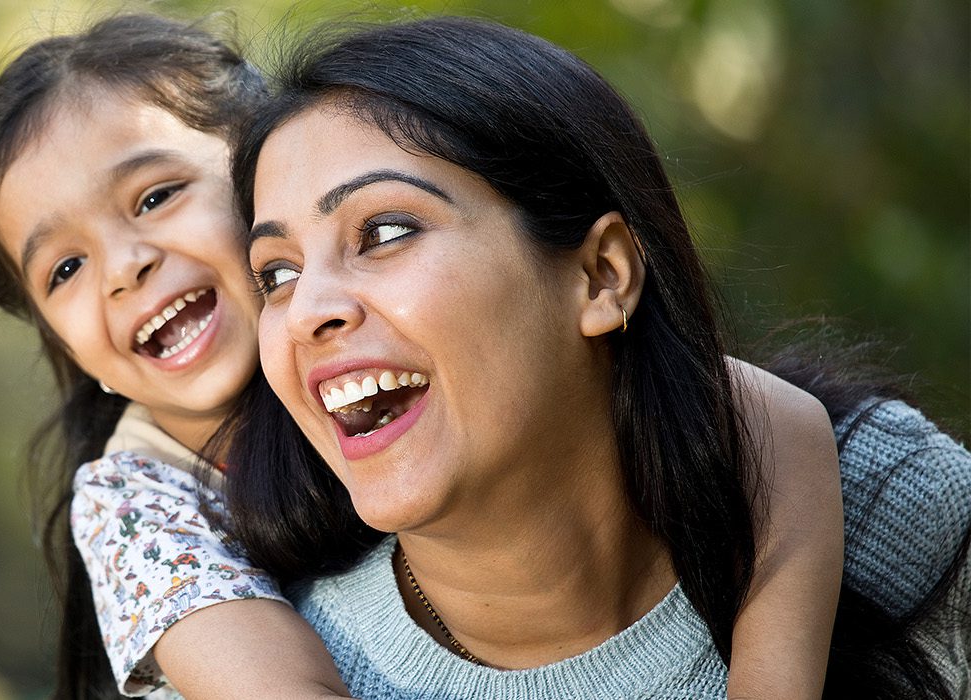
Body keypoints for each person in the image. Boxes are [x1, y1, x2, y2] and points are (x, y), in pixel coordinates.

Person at [0, 14, 852, 700]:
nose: (126, 266)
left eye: (155, 196)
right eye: (64, 267)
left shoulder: (367, 337)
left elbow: (776, 420)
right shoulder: (139, 502)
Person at [228, 16, 971, 698]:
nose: (308, 311)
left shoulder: (884, 500)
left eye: (385, 231)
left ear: (601, 275)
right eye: (277, 275)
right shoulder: (276, 671)